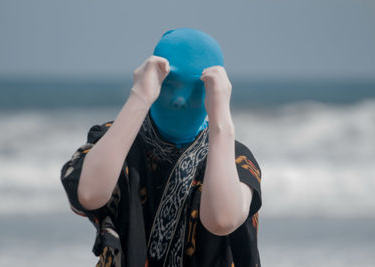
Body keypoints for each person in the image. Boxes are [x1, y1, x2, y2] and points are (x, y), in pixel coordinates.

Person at [60, 28, 262, 267]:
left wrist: (222, 124)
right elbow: (88, 195)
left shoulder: (234, 158)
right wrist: (139, 98)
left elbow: (221, 219)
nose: (179, 99)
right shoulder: (115, 140)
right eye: (169, 85)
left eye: (196, 89)